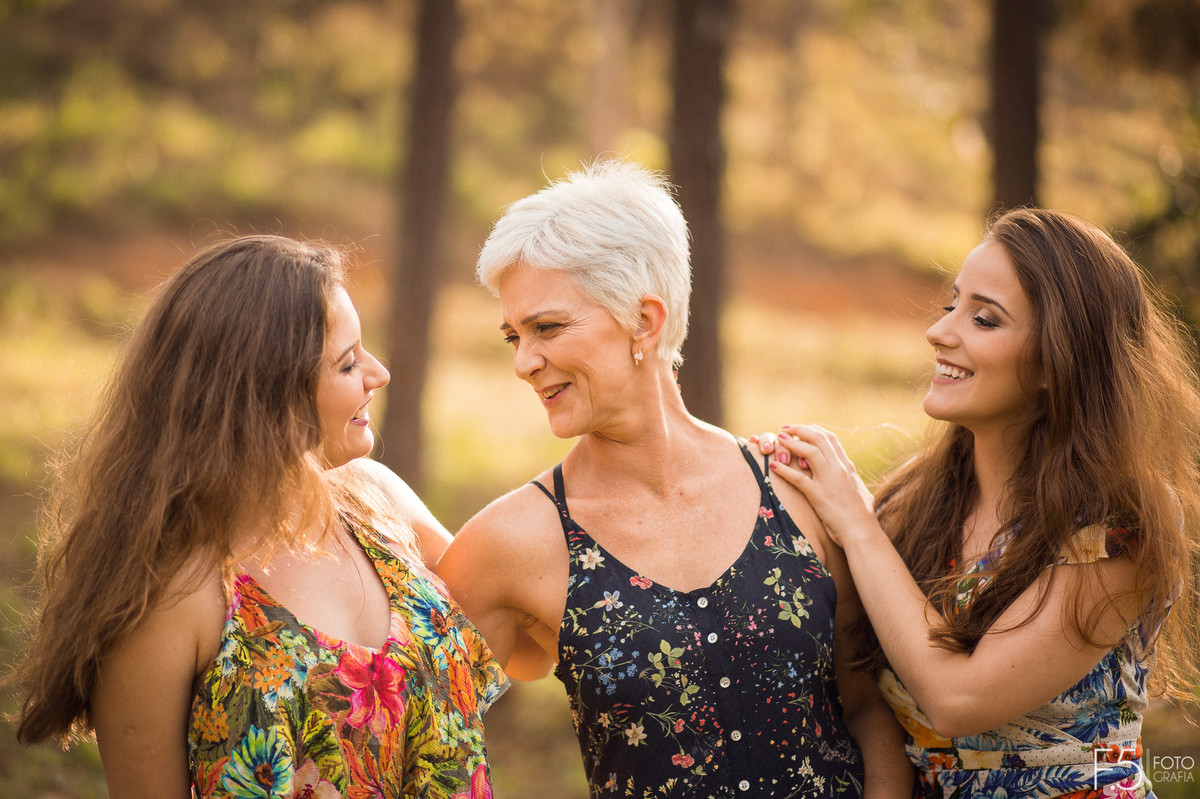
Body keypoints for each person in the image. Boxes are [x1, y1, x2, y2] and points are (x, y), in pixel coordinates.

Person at [436, 158, 913, 798]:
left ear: (645, 320)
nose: (525, 362)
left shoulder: (799, 491)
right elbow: (414, 734)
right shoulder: (511, 542)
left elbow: (866, 705)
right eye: (512, 337)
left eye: (547, 327)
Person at [10, 235, 507, 798]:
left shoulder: (377, 503)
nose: (379, 373)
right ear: (267, 394)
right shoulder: (174, 596)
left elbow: (510, 615)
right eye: (348, 363)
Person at [761, 208, 1200, 798]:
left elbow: (956, 700)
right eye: (952, 305)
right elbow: (860, 700)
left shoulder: (1121, 526)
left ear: (1055, 362)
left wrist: (857, 525)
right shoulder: (913, 507)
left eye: (984, 319)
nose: (939, 332)